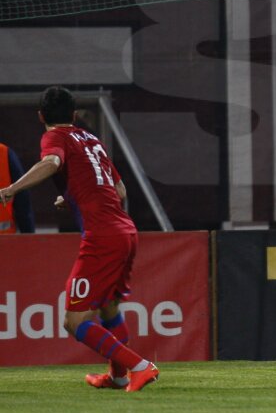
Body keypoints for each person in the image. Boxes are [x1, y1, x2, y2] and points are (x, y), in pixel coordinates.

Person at [0, 87, 158, 391]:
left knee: (73, 321)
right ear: (74, 115)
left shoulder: (54, 137)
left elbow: (51, 163)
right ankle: (119, 376)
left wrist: (10, 190)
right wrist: (73, 195)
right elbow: (120, 191)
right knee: (108, 306)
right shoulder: (91, 140)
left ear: (41, 116)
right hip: (125, 230)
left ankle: (140, 366)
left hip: (102, 237)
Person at [0, 141, 35, 233]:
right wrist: (28, 236)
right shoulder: (4, 152)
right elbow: (22, 201)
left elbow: (22, 198)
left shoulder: (4, 153)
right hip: (5, 238)